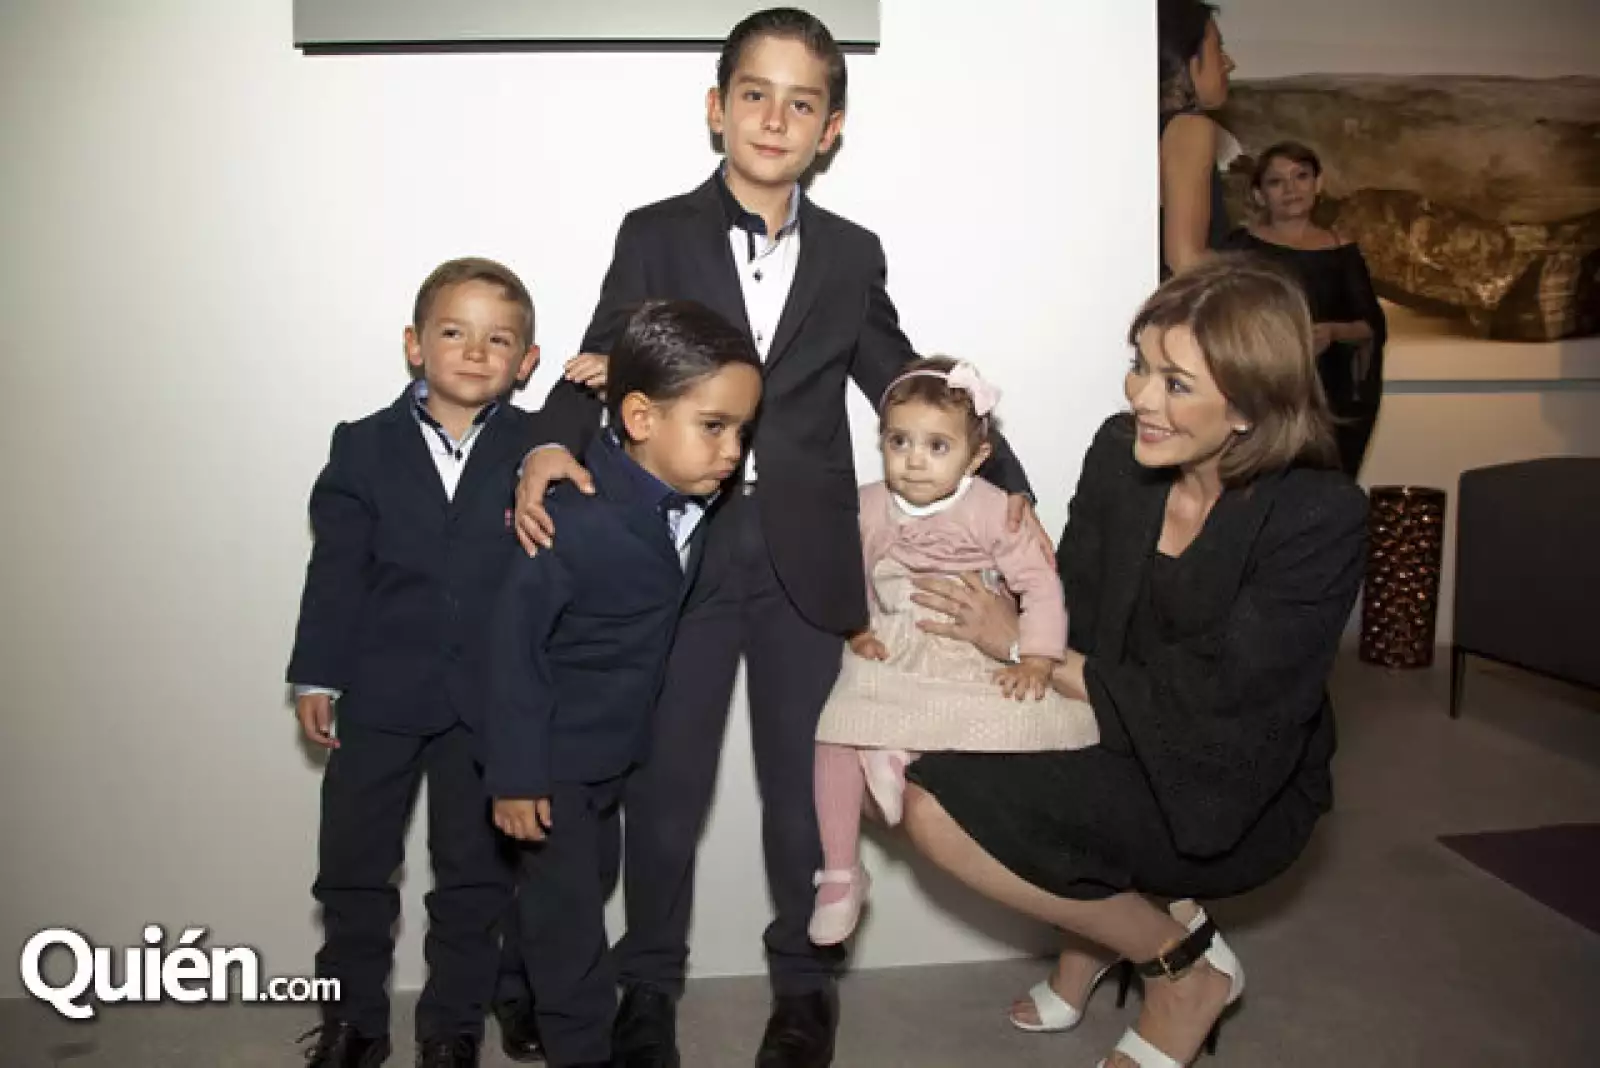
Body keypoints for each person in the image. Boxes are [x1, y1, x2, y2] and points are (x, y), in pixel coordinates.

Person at [510, 9, 1040, 1066]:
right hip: (675, 555)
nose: (774, 117)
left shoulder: (850, 255)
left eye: (802, 102)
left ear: (829, 129)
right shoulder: (652, 232)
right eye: (755, 93)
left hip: (807, 560)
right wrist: (538, 449)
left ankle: (805, 987)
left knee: (809, 792)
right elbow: (600, 357)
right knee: (664, 794)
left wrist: (1012, 501)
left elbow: (906, 383)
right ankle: (646, 988)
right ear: (717, 108)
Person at [900, 255, 1368, 1068]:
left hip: (1227, 780)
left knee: (934, 807)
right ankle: (1113, 941)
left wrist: (1021, 643)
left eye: (1176, 383)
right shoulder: (1122, 454)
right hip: (1117, 722)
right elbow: (1075, 602)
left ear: (1252, 408)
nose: (1140, 397)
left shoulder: (1319, 517)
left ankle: (1181, 972)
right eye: (1139, 365)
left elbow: (1223, 702)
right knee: (895, 746)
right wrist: (1002, 567)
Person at [285, 258, 547, 1068]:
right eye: (453, 332)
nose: (474, 352)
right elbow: (335, 572)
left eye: (498, 339)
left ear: (526, 362)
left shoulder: (539, 449)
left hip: (486, 705)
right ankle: (352, 1021)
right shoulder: (362, 447)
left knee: (472, 879)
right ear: (414, 344)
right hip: (381, 693)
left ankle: (451, 1027)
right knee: (354, 868)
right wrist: (317, 674)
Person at [486, 301, 762, 1068]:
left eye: (742, 431)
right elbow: (511, 650)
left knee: (574, 886)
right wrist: (515, 775)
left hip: (613, 749)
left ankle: (513, 984)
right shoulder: (568, 517)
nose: (733, 450)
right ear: (640, 418)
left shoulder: (693, 504)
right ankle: (581, 1046)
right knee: (573, 919)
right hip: (549, 758)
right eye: (714, 427)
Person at [807, 358, 1099, 946]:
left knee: (1007, 729)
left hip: (963, 644)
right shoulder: (868, 506)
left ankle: (899, 751)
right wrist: (855, 624)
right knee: (834, 727)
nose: (914, 459)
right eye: (899, 441)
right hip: (895, 639)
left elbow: (1040, 583)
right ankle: (840, 871)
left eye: (937, 445)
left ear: (976, 457)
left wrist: (1037, 657)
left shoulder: (994, 509)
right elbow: (846, 569)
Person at [1225, 141, 1388, 476]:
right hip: (1259, 391)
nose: (1291, 189)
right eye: (1276, 181)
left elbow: (1370, 325)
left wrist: (1332, 332)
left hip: (1328, 396)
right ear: (1259, 195)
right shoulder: (1239, 247)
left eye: (1301, 176)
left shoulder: (1342, 251)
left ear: (1318, 184)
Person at [1159, 0, 1236, 276]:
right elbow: (1186, 259)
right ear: (1188, 63)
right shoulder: (1190, 128)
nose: (1229, 63)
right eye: (1218, 49)